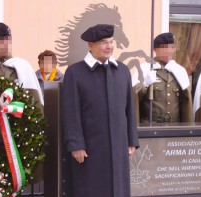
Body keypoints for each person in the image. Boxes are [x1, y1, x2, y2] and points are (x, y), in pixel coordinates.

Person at [61, 24, 139, 197]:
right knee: (91, 189)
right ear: (90, 45)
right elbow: (70, 112)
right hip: (90, 148)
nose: (109, 46)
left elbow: (129, 109)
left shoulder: (122, 71)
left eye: (111, 42)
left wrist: (132, 139)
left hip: (118, 146)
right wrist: (76, 144)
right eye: (104, 42)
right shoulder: (75, 73)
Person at [138, 32, 193, 124]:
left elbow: (185, 101)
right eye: (164, 48)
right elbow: (133, 99)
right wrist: (144, 85)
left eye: (171, 47)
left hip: (174, 126)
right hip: (151, 125)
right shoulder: (144, 69)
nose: (168, 51)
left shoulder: (179, 71)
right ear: (155, 49)